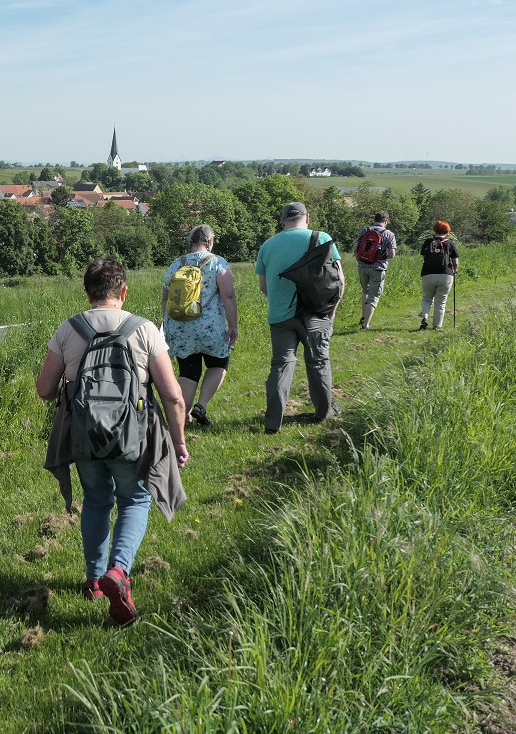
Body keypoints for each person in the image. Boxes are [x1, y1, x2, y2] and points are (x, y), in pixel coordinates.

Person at [35, 259, 189, 625]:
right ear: (123, 292)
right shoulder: (145, 329)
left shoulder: (69, 328)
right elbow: (172, 395)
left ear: (87, 293)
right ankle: (119, 571)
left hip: (84, 435)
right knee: (135, 498)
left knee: (96, 500)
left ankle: (94, 580)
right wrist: (178, 440)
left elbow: (43, 390)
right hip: (131, 434)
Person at [254, 202, 345, 435]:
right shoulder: (322, 237)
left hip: (280, 316)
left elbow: (264, 287)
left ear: (283, 221)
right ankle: (324, 413)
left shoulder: (268, 245)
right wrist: (331, 310)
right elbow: (339, 280)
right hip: (316, 313)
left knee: (281, 365)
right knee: (318, 362)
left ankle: (273, 422)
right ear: (308, 218)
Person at [160, 225, 238, 427]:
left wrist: (166, 326)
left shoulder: (177, 263)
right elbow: (228, 296)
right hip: (209, 327)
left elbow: (165, 298)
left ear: (191, 242)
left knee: (188, 371)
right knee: (219, 363)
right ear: (210, 242)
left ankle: (181, 418)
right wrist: (233, 325)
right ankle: (201, 405)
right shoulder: (217, 263)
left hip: (180, 326)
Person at [354, 211, 397, 330]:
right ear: (386, 221)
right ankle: (366, 325)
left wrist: (359, 261)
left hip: (362, 266)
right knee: (374, 296)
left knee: (365, 292)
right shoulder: (389, 234)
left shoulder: (365, 231)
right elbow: (392, 254)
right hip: (378, 268)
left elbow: (356, 247)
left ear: (375, 219)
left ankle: (363, 317)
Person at [417, 221, 459, 331]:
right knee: (441, 301)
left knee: (427, 298)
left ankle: (425, 317)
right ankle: (437, 326)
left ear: (434, 230)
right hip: (445, 275)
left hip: (427, 274)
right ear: (447, 231)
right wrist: (455, 270)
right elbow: (455, 262)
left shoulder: (428, 242)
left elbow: (424, 257)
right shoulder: (450, 243)